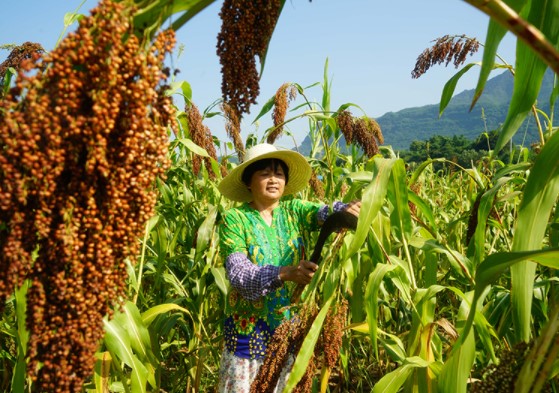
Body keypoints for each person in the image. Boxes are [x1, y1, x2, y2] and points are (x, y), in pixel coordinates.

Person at [216, 143, 360, 392]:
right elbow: (239, 275)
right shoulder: (235, 219)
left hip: (289, 333)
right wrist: (286, 273)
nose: (273, 180)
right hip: (247, 337)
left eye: (279, 174)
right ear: (249, 181)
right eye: (265, 173)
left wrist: (346, 210)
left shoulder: (295, 211)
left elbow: (324, 214)